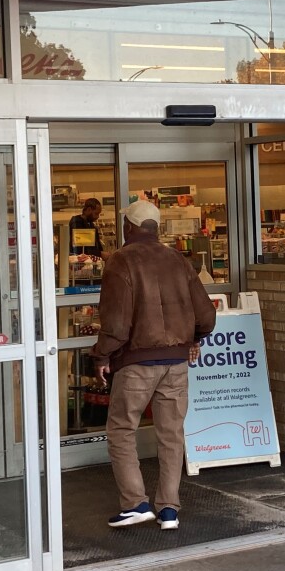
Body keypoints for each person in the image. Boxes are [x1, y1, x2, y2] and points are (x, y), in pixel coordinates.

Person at [91, 199, 216, 530]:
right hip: (175, 363)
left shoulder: (121, 260)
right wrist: (194, 338)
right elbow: (206, 314)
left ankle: (135, 503)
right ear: (154, 228)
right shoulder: (177, 259)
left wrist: (102, 354)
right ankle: (169, 509)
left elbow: (116, 322)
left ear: (129, 227)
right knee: (172, 434)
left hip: (136, 362)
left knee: (121, 429)